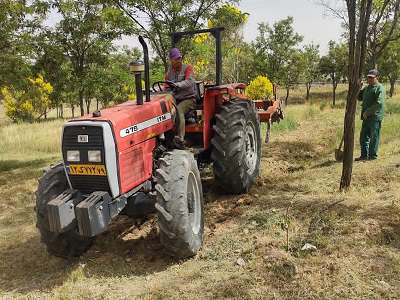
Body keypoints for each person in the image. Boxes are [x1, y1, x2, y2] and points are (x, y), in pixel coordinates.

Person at [165, 48, 196, 149]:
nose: (178, 60)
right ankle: (166, 137)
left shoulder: (187, 68)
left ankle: (180, 138)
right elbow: (166, 85)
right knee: (166, 109)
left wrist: (177, 85)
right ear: (171, 60)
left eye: (179, 58)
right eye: (176, 59)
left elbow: (190, 82)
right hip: (176, 98)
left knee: (178, 109)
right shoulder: (169, 72)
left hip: (189, 99)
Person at [356, 69, 385, 161]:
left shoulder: (380, 88)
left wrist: (368, 112)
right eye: (368, 77)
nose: (369, 79)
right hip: (365, 117)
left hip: (375, 117)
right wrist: (359, 88)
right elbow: (359, 97)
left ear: (377, 77)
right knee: (363, 137)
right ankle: (364, 155)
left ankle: (372, 157)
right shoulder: (367, 88)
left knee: (374, 137)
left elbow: (379, 103)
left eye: (372, 78)